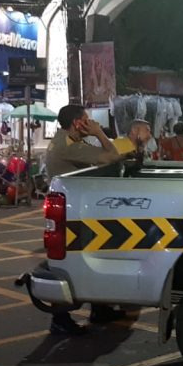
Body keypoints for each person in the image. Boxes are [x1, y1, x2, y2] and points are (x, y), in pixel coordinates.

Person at [45, 105, 128, 335]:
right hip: (73, 211)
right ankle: (60, 319)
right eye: (87, 120)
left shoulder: (64, 141)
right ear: (77, 123)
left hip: (75, 209)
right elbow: (112, 156)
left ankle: (99, 308)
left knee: (94, 252)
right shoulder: (70, 146)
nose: (91, 123)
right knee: (69, 262)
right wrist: (99, 133)